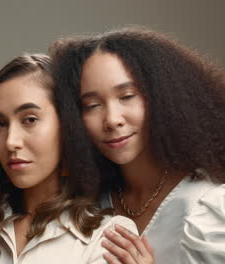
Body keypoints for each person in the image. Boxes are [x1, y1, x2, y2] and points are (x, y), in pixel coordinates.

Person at [51, 27, 225, 263]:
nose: (112, 119)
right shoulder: (88, 204)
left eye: (127, 96)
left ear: (162, 97)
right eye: (92, 105)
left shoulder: (208, 207)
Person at [0, 54, 138, 263]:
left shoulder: (109, 239)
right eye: (0, 124)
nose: (11, 141)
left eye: (29, 119)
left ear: (67, 127)